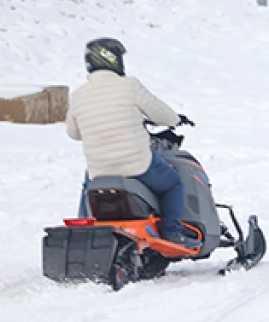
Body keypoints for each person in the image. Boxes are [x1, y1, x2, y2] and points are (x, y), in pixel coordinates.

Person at [65, 38, 192, 244]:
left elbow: (73, 133)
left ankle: (84, 228)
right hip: (137, 165)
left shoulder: (78, 96)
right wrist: (177, 119)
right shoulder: (129, 86)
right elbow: (163, 115)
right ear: (114, 60)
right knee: (173, 184)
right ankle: (171, 232)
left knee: (88, 185)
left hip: (100, 169)